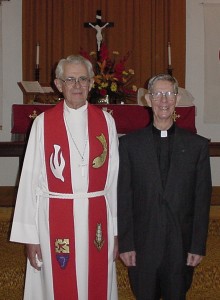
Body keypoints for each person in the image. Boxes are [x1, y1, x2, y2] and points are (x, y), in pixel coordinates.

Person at [10, 55, 119, 300]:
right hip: (55, 217)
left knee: (96, 281)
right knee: (58, 283)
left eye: (83, 79)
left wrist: (116, 230)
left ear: (91, 83)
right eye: (70, 79)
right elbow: (29, 181)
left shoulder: (106, 122)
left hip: (97, 218)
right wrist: (30, 237)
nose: (77, 85)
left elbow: (113, 180)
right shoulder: (43, 124)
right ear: (59, 85)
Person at [117, 73, 212, 300]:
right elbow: (124, 197)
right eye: (157, 94)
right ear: (147, 100)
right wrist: (126, 244)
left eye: (169, 94)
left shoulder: (196, 146)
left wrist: (197, 246)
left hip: (179, 246)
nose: (163, 100)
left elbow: (202, 200)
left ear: (177, 99)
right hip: (142, 246)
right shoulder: (129, 145)